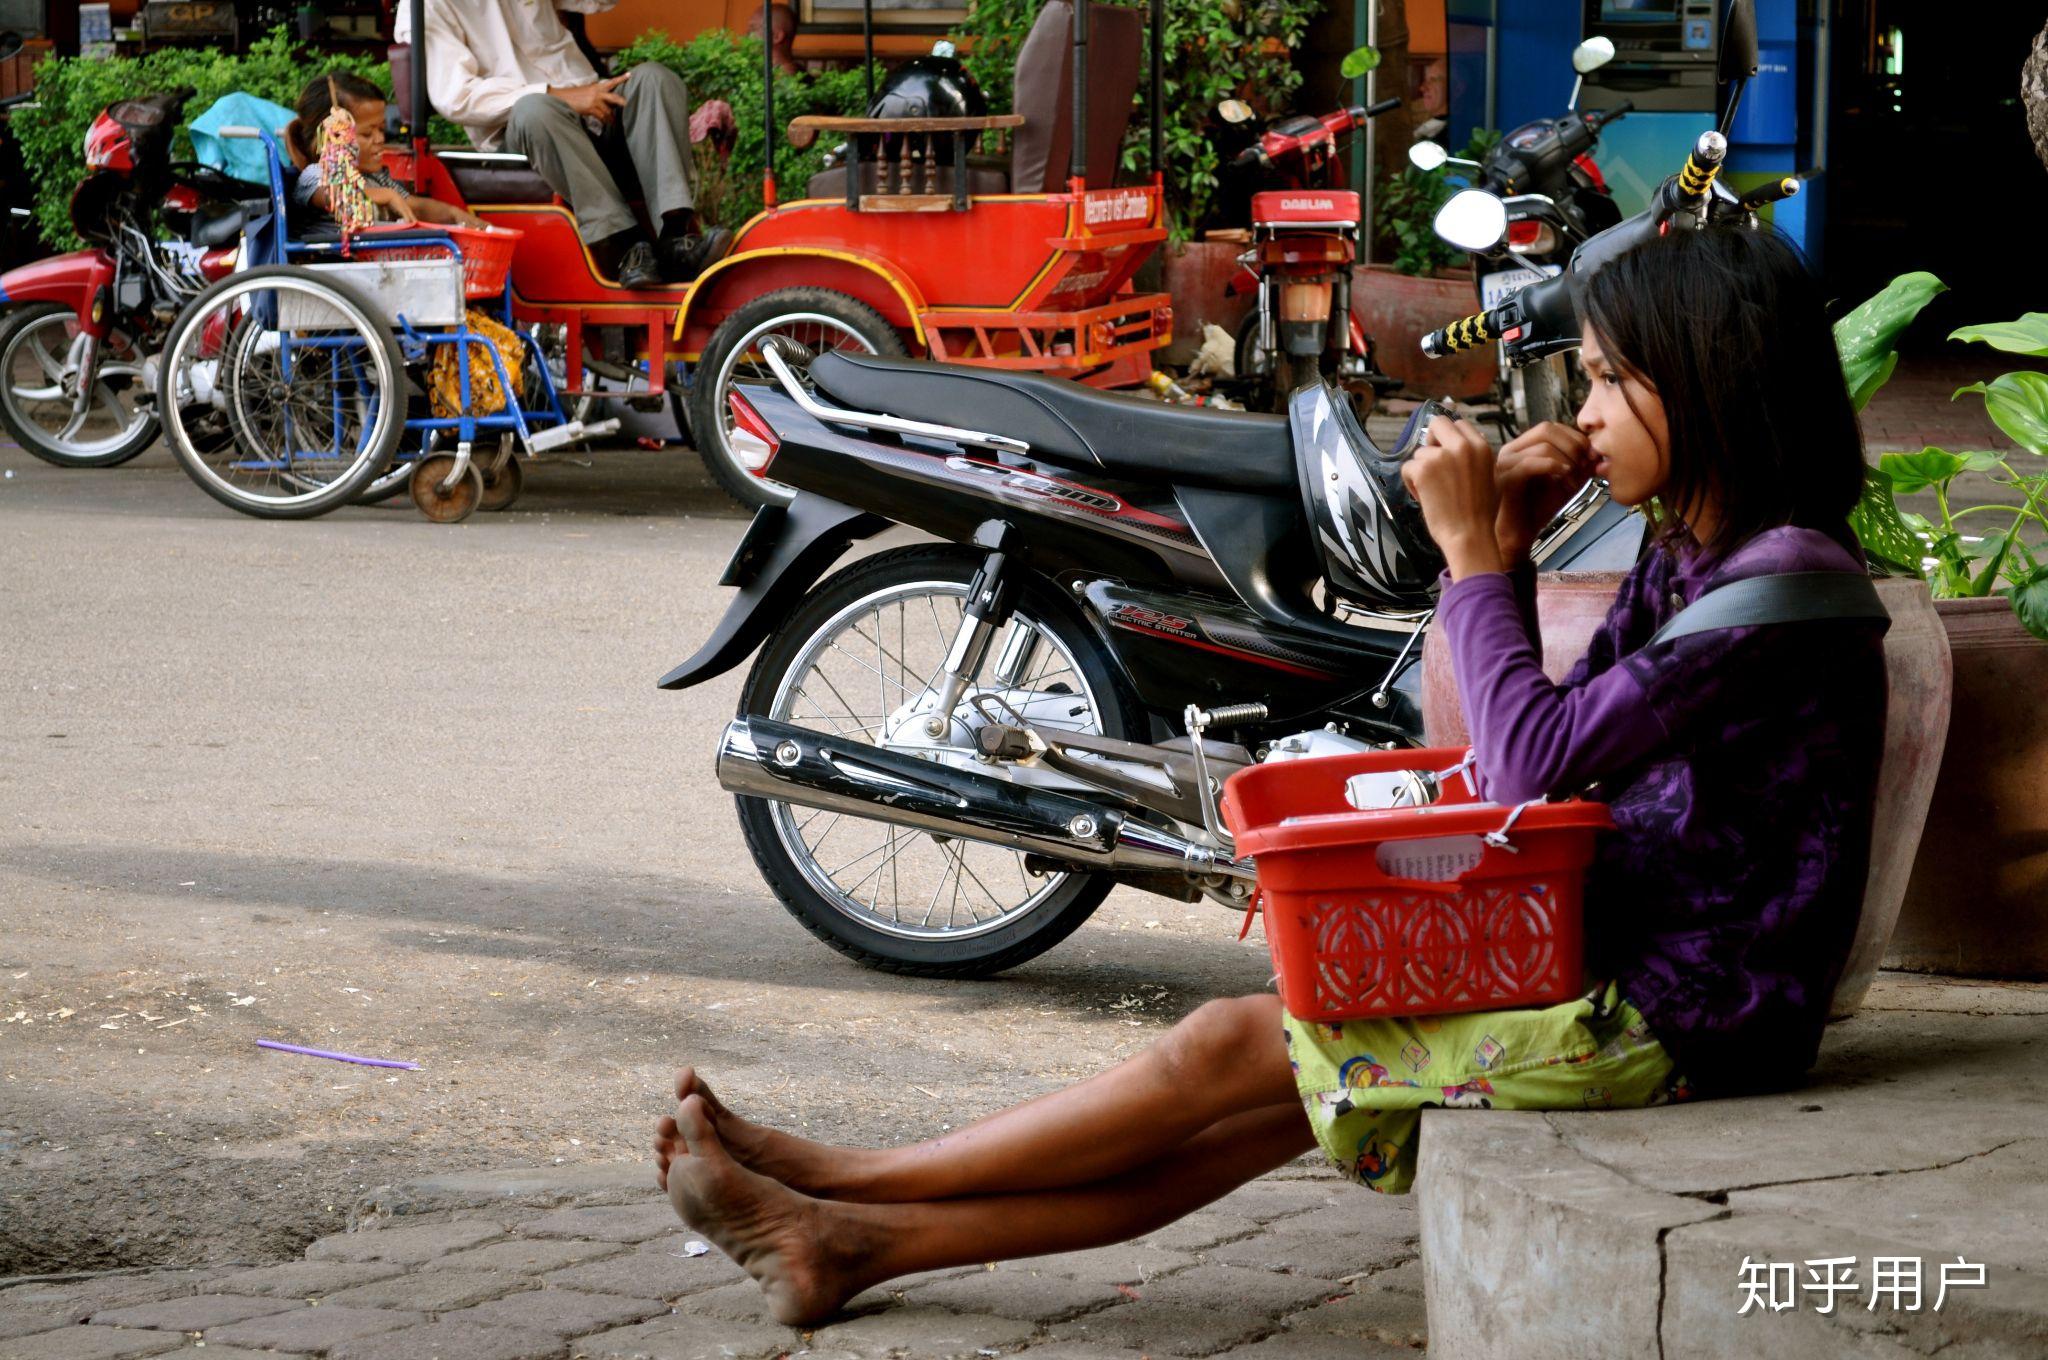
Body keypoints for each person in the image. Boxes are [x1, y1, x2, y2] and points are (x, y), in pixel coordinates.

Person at [652, 225, 1887, 1327]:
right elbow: (1554, 746)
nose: (1588, 407)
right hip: (1626, 955)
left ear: (1714, 382)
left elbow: (1527, 770)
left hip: (1687, 1016)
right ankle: (840, 1240)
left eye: (1618, 377)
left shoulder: (1780, 590)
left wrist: (1466, 552)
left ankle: (838, 1180)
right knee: (1247, 1101)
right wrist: (1500, 555)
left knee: (1224, 1051)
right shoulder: (1697, 550)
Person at [395, 0, 731, 289]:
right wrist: (559, 96)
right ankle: (627, 246)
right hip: (525, 133)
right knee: (534, 108)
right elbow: (455, 96)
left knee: (654, 78)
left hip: (596, 113)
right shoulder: (427, 5)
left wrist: (580, 97)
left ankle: (674, 237)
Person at [285, 73, 487, 231]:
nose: (380, 139)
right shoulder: (314, 176)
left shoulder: (377, 178)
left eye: (381, 129)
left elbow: (415, 207)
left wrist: (455, 215)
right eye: (366, 134)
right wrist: (386, 196)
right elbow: (337, 197)